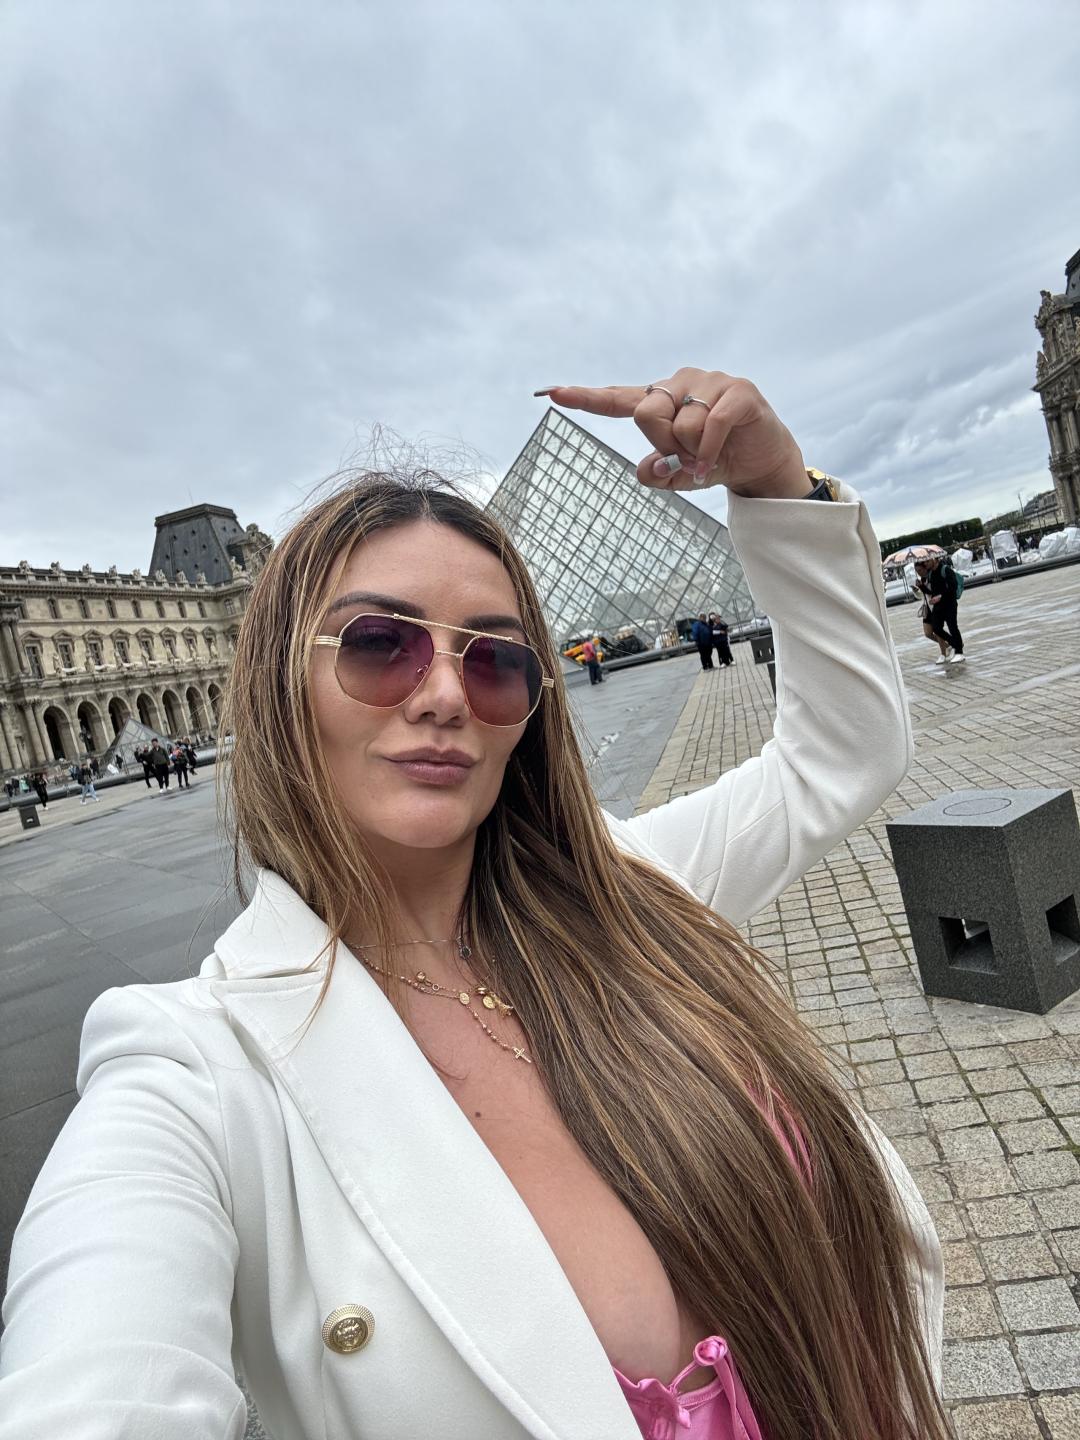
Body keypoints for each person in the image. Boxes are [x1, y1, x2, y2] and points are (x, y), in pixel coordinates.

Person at [0, 367, 947, 1440]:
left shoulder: (629, 886)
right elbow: (95, 1381)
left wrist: (777, 489)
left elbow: (843, 753)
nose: (446, 693)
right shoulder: (192, 1076)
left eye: (494, 660)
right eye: (379, 644)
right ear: (276, 682)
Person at [915, 555, 965, 665]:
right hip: (938, 605)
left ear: (934, 559)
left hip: (949, 603)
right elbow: (931, 591)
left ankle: (959, 652)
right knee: (936, 628)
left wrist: (940, 596)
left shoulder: (945, 570)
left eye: (927, 561)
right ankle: (955, 644)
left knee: (952, 627)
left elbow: (953, 587)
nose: (926, 564)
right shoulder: (932, 574)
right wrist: (922, 587)